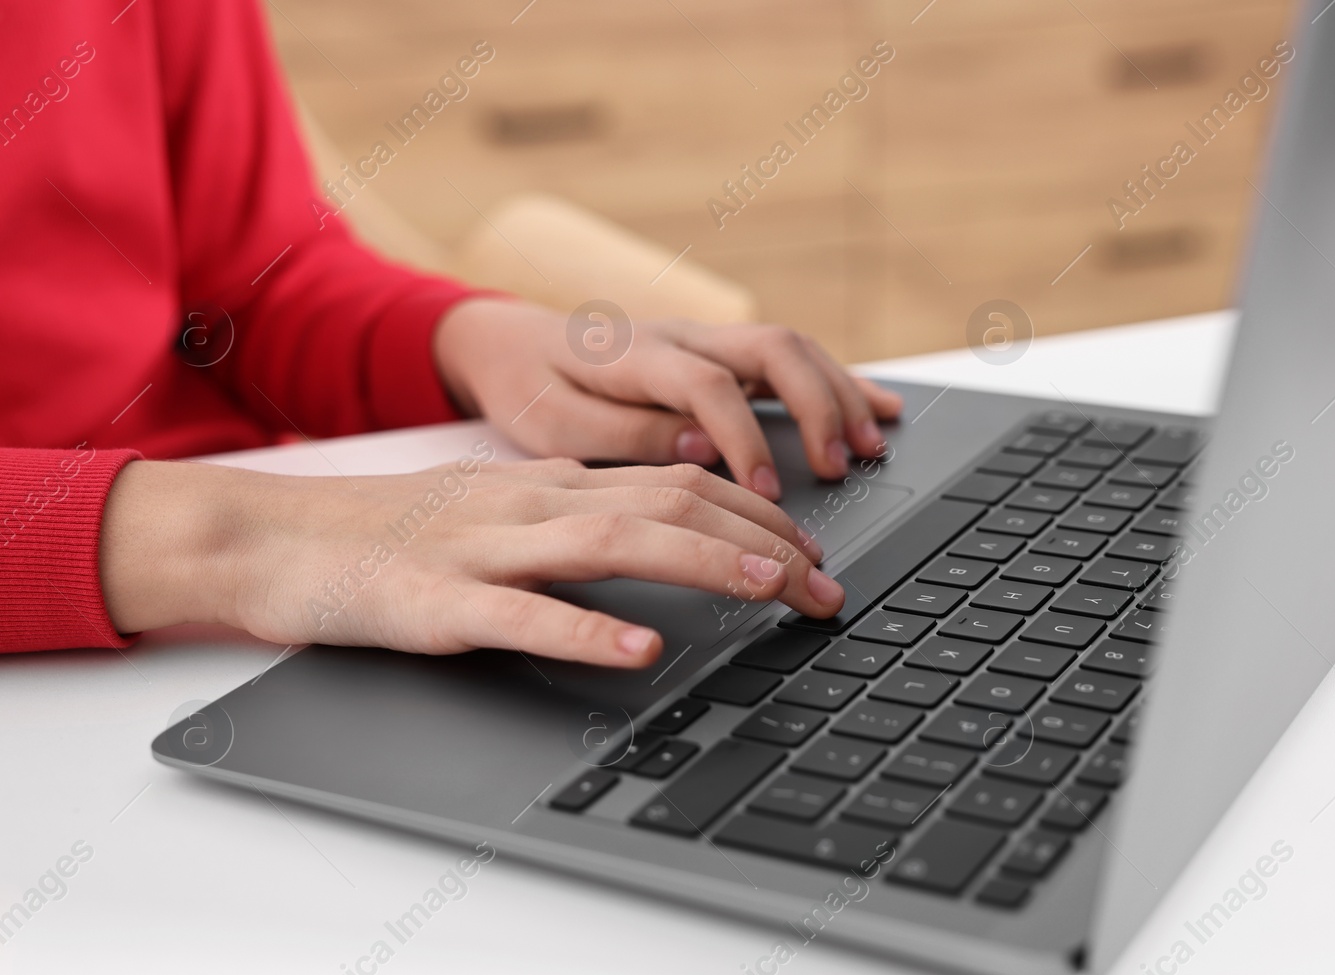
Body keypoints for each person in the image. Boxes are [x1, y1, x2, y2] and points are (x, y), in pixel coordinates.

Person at [0, 0, 899, 665]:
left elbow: (247, 287)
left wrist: (471, 344)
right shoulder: (254, 536)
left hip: (258, 601)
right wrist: (238, 537)